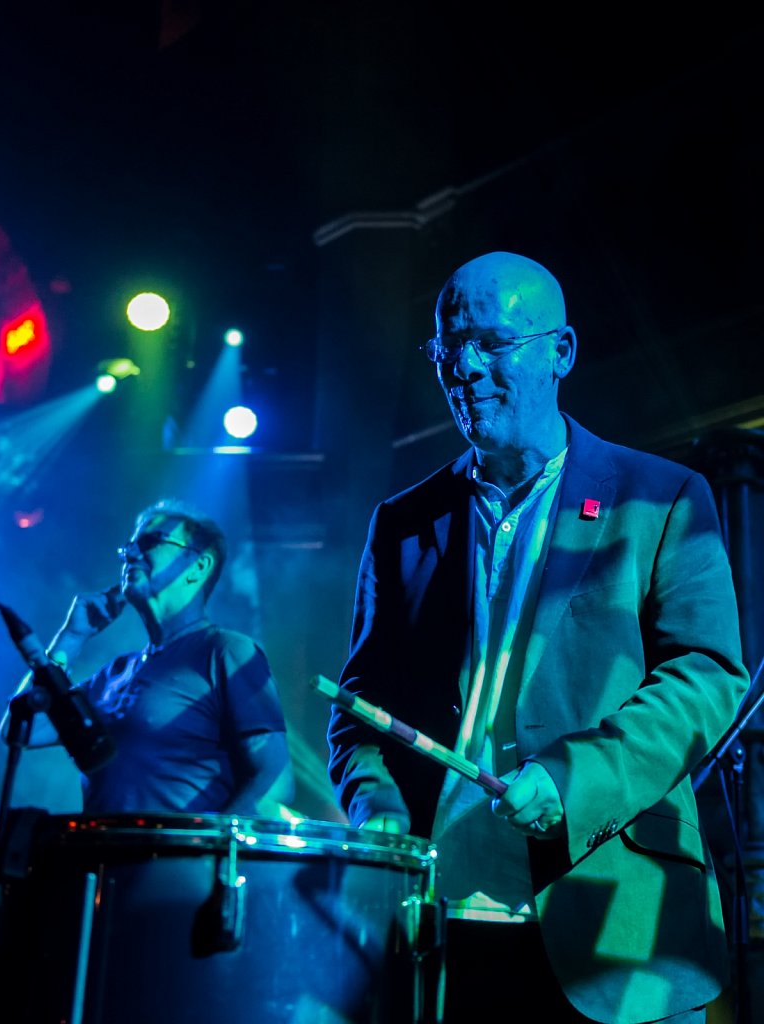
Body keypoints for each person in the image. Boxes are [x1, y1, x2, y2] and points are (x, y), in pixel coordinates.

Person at [326, 251, 750, 1023]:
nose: (465, 367)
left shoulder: (661, 496)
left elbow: (707, 676)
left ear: (562, 352)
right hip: (441, 923)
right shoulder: (404, 523)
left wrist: (572, 778)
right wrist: (378, 813)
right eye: (448, 348)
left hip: (617, 920)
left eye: (492, 343)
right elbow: (360, 713)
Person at [1, 498, 295, 816]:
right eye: (128, 547)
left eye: (149, 542)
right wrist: (71, 638)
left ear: (198, 566)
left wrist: (212, 852)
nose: (130, 554)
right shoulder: (113, 674)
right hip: (101, 862)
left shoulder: (226, 651)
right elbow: (21, 729)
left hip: (186, 861)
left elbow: (275, 778)